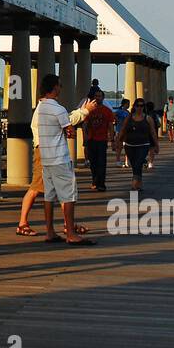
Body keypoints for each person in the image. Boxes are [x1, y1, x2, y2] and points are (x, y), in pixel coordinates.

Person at [28, 74, 91, 245]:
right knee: (68, 196)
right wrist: (85, 112)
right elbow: (69, 130)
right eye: (59, 86)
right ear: (54, 88)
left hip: (46, 158)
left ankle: (50, 231)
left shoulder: (40, 108)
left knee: (49, 196)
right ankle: (71, 233)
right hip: (60, 158)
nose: (60, 88)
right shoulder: (58, 109)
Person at [114, 97, 159, 191]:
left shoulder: (148, 118)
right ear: (134, 106)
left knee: (138, 163)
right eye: (138, 105)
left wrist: (156, 145)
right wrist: (117, 142)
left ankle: (134, 184)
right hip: (130, 146)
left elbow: (153, 132)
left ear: (144, 107)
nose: (140, 108)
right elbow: (122, 130)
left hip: (143, 145)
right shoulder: (129, 117)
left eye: (142, 106)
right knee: (135, 165)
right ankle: (139, 183)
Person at [81, 88, 116, 191]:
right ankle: (94, 181)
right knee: (93, 163)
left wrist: (112, 140)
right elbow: (85, 125)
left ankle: (101, 183)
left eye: (99, 96)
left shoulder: (107, 111)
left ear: (103, 98)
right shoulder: (89, 110)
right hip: (91, 139)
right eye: (96, 96)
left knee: (102, 162)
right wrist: (85, 138)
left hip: (102, 140)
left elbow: (110, 126)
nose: (97, 98)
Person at [114, 98, 131, 168]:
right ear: (124, 104)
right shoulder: (119, 111)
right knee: (119, 147)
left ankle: (127, 161)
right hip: (119, 130)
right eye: (128, 104)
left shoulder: (128, 112)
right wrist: (117, 120)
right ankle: (118, 161)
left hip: (126, 131)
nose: (129, 105)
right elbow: (113, 114)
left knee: (127, 146)